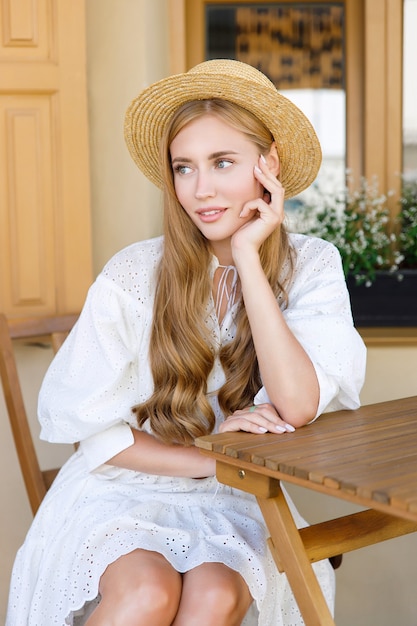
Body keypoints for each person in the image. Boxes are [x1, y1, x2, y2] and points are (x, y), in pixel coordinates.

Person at [6, 59, 366, 626]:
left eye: (223, 162)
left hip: (232, 495)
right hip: (124, 485)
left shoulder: (313, 265)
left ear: (267, 163)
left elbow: (297, 403)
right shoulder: (134, 274)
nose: (201, 190)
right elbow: (96, 439)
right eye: (184, 168)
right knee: (146, 596)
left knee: (214, 597)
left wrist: (248, 258)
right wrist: (206, 451)